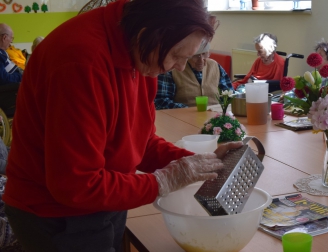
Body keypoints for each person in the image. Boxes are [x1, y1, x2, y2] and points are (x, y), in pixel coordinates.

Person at [2, 1, 242, 251]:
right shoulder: (81, 61)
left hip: (105, 197)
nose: (180, 67)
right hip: (56, 215)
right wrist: (162, 182)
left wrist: (200, 164)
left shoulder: (141, 53)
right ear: (146, 34)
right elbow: (75, 185)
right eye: (176, 56)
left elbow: (142, 142)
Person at [154, 42, 233, 109]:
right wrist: (187, 110)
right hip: (183, 119)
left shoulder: (215, 66)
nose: (201, 60)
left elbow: (229, 94)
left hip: (215, 118)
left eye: (204, 54)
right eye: (196, 56)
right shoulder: (173, 69)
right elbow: (161, 101)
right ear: (187, 56)